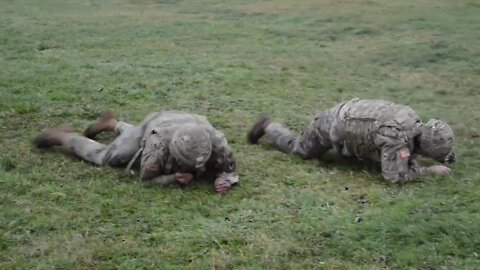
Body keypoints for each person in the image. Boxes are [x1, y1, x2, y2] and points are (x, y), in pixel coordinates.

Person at [247, 98, 455, 183]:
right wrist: (427, 171)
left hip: (347, 112)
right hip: (331, 125)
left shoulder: (411, 119)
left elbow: (405, 151)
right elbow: (393, 176)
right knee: (298, 150)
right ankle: (268, 127)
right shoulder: (396, 137)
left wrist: (411, 160)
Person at [35, 110, 238, 193]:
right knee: (107, 157)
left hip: (182, 121)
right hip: (155, 126)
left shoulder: (216, 142)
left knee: (130, 138)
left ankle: (112, 123)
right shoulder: (156, 147)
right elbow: (147, 178)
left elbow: (230, 170)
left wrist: (225, 179)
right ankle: (62, 136)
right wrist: (171, 179)